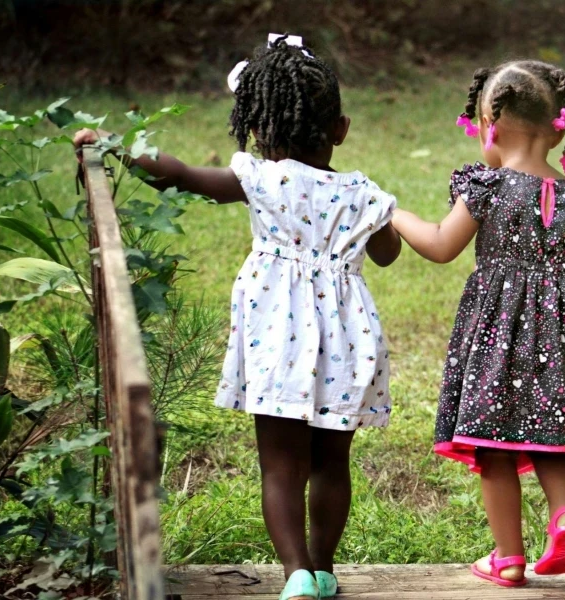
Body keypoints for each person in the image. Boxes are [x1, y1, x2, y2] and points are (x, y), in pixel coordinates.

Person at [74, 35, 401, 600]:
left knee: (280, 466)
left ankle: (295, 574)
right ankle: (324, 570)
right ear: (341, 130)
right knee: (332, 463)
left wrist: (115, 147)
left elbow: (178, 174)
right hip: (348, 343)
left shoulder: (259, 177)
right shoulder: (361, 191)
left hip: (278, 336)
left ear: (255, 128)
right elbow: (389, 252)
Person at [391, 60, 565, 586]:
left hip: (498, 339)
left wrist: (393, 214)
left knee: (494, 444)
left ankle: (507, 557)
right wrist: (561, 292)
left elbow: (439, 245)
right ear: (557, 127)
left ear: (490, 127)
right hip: (564, 336)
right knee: (552, 432)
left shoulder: (488, 187)